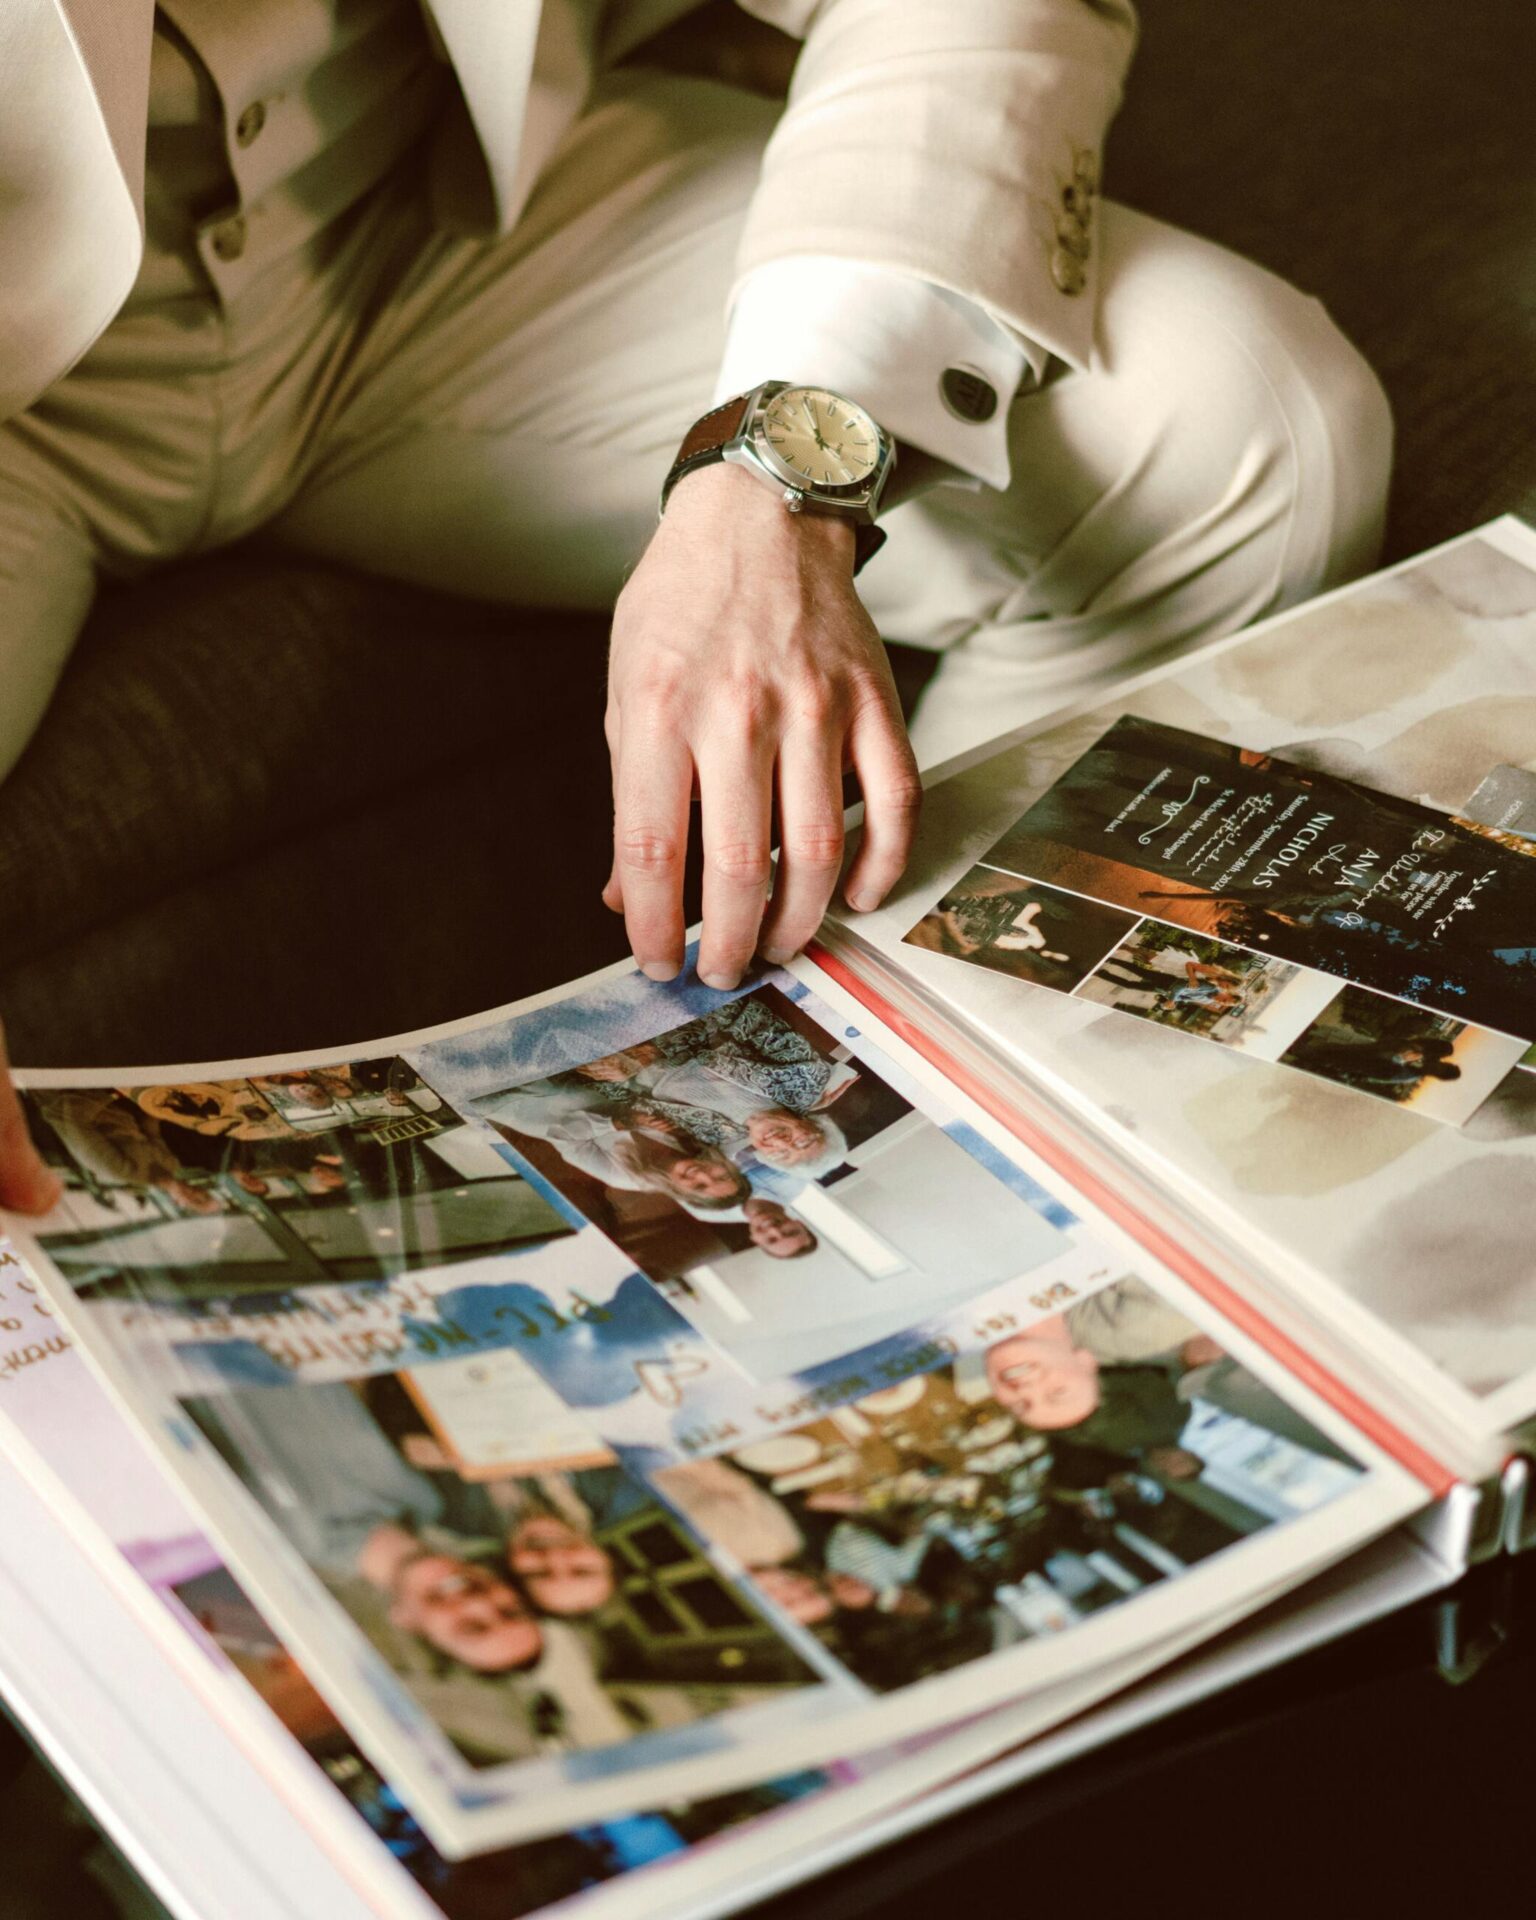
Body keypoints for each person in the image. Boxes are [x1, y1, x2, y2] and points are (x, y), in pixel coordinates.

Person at [0, 0, 1393, 1214]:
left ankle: (986, 1139)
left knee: (1249, 430)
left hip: (405, 214)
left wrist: (778, 466)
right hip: (25, 399)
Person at [742, 1195, 818, 1259]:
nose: (773, 1229)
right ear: (800, 1224)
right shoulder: (793, 1180)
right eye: (790, 1232)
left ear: (755, 1239)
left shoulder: (729, 1213)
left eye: (771, 1239)